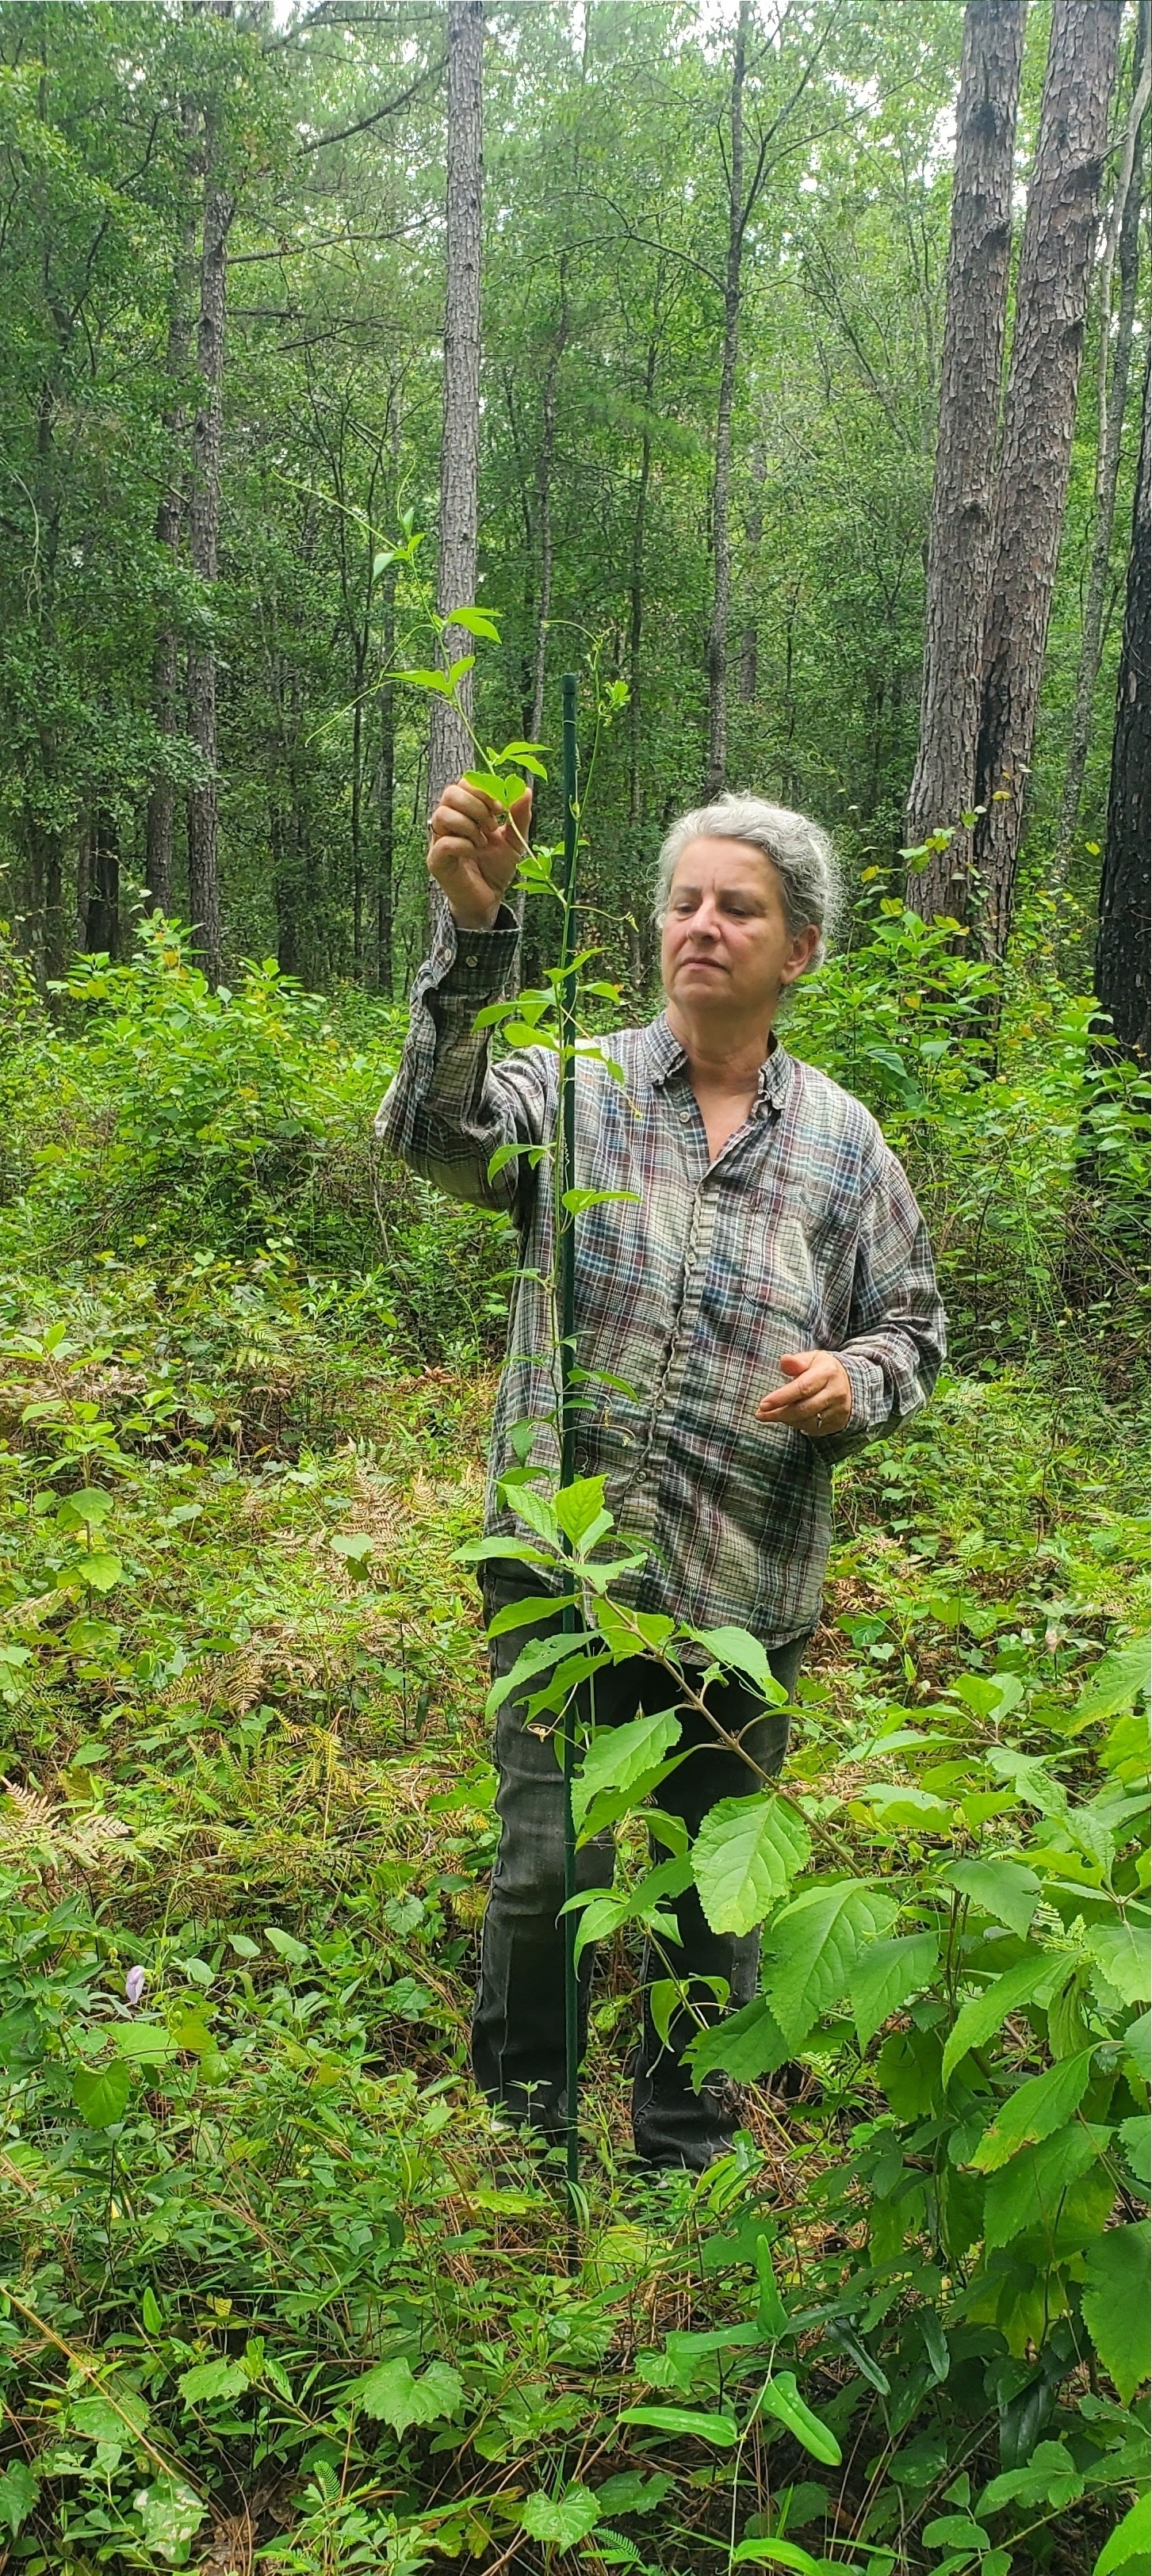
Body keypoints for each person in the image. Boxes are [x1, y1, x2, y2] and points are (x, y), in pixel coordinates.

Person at [375, 778, 947, 2174]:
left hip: (743, 1584)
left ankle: (683, 2147)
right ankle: (525, 2139)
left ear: (795, 948)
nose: (701, 925)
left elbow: (913, 1327)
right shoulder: (570, 1092)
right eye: (684, 901)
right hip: (559, 1570)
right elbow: (429, 1138)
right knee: (542, 1868)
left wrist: (853, 1382)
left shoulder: (841, 1143)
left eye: (736, 907)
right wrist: (476, 933)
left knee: (710, 1891)